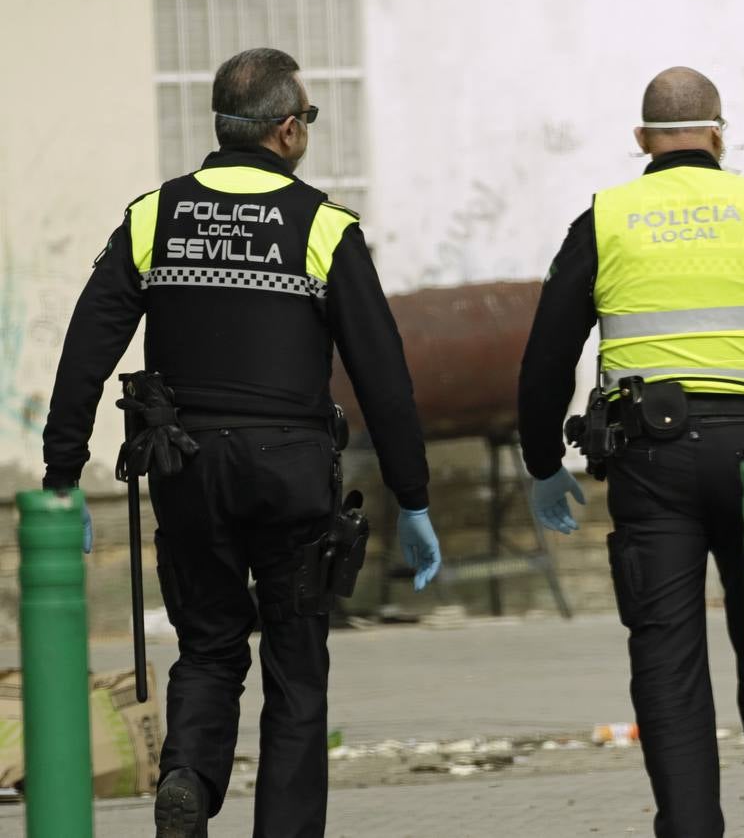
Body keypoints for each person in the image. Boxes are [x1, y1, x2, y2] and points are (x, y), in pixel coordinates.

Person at [40, 47, 442, 838]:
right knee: (296, 661)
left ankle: (187, 775)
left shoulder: (154, 215)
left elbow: (87, 345)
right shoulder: (323, 225)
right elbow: (384, 376)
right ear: (287, 131)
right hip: (291, 474)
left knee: (209, 643)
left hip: (186, 469)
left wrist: (62, 471)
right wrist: (416, 495)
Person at [518, 66, 744, 837]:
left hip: (653, 465)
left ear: (642, 141)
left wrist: (543, 461)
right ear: (720, 133)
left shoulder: (605, 218)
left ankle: (688, 827)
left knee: (666, 658)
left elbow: (547, 352)